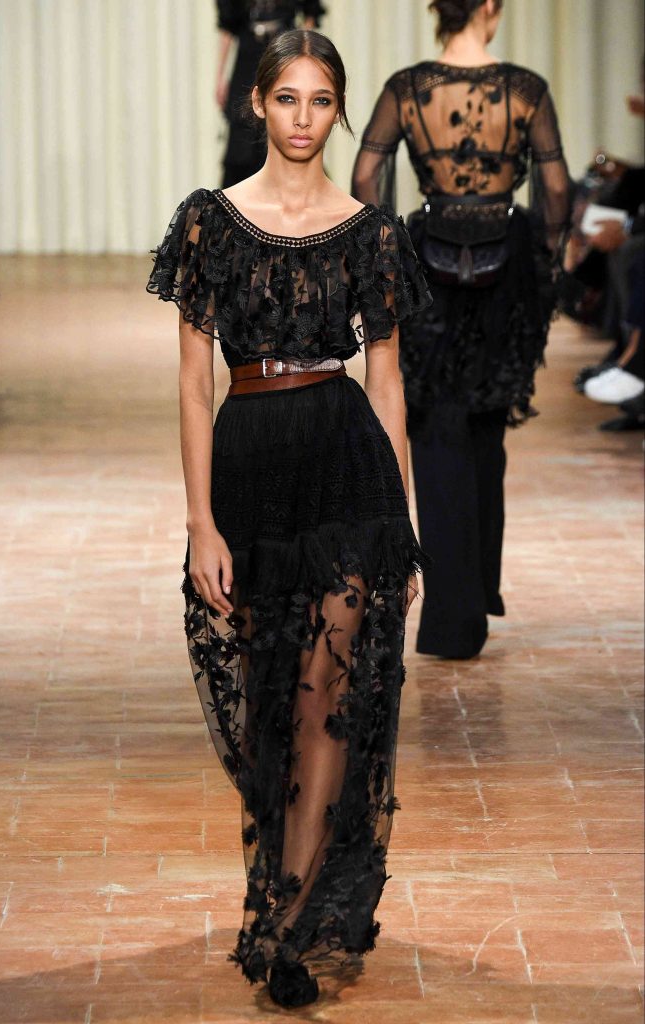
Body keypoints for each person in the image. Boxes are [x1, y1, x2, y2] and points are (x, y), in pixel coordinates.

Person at [147, 28, 431, 1009]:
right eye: (286, 99)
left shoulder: (371, 233)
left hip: (346, 467)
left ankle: (288, 928)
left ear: (338, 110)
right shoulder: (210, 224)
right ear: (255, 104)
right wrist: (200, 523)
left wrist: (400, 529)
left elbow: (387, 386)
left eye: (320, 101)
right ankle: (286, 891)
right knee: (265, 709)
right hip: (251, 467)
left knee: (323, 702)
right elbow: (193, 385)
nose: (303, 118)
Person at [352, 0, 570, 660]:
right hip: (505, 267)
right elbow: (556, 187)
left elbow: (366, 175)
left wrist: (385, 258)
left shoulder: (408, 87)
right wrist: (547, 263)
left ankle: (453, 617)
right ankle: (477, 592)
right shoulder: (524, 88)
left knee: (435, 430)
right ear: (489, 6)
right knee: (484, 432)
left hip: (429, 263)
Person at [215, 1, 325, 187]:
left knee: (284, 121)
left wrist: (303, 59)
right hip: (247, 55)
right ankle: (239, 201)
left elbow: (311, 14)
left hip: (284, 51)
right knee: (241, 134)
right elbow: (228, 25)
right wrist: (220, 76)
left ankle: (291, 192)